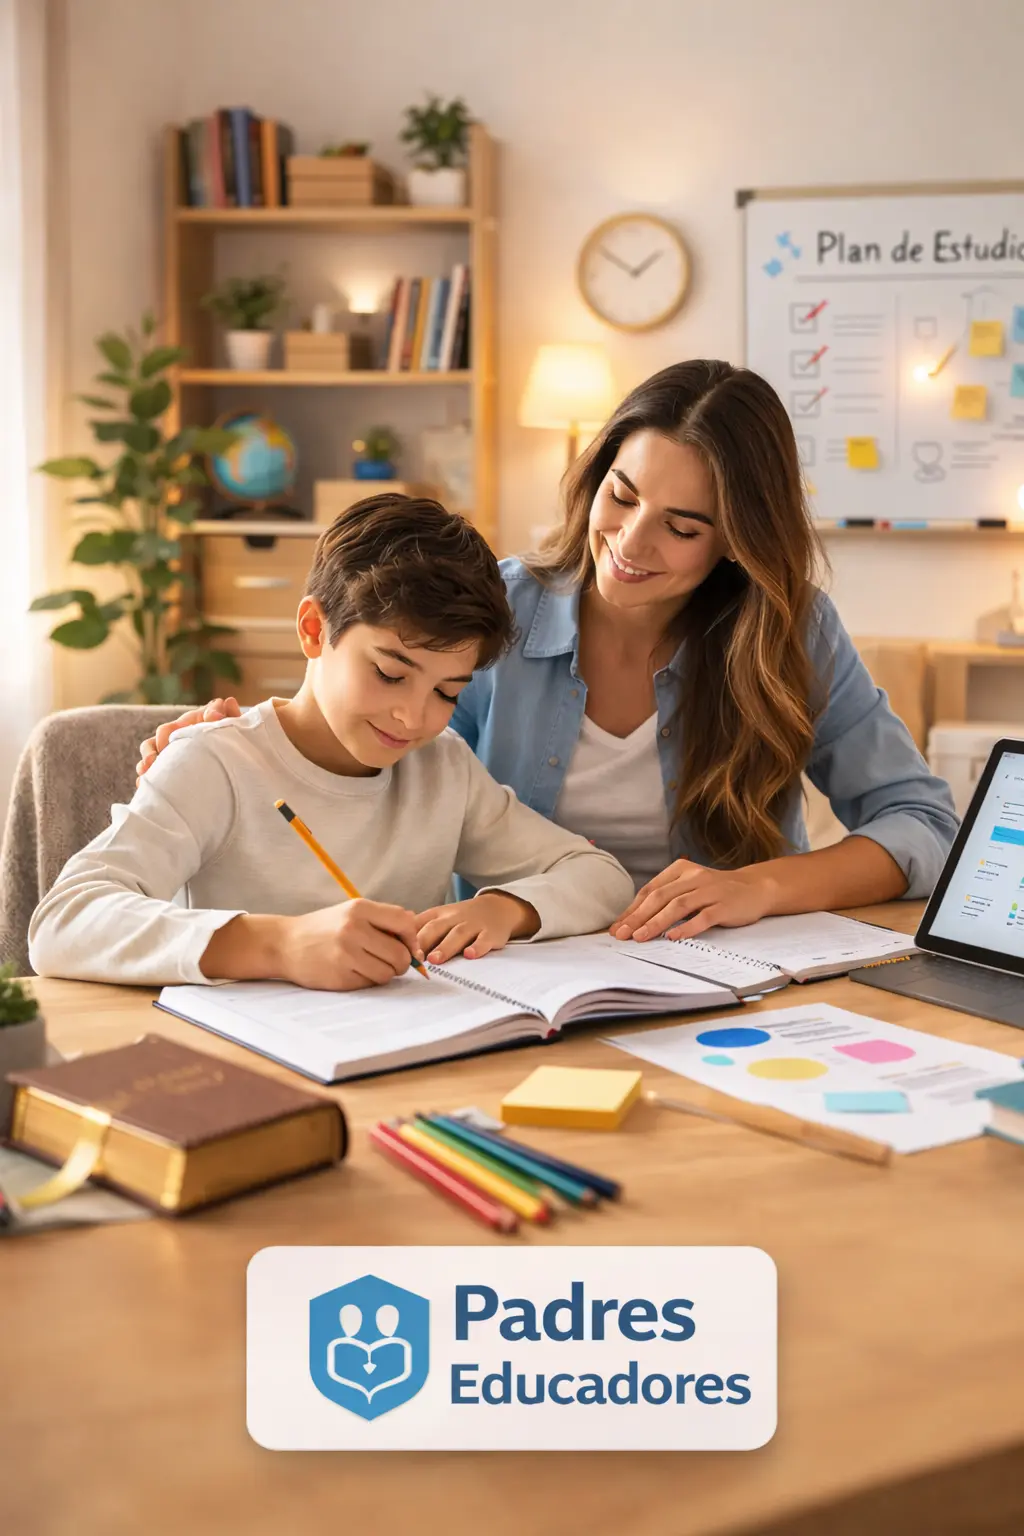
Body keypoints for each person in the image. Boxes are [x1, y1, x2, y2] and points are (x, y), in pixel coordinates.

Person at [140, 360, 958, 943]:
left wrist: (761, 885)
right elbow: (377, 752)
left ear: (736, 541)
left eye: (681, 527)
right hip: (522, 971)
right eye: (621, 496)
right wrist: (249, 751)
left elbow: (923, 825)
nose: (630, 544)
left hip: (731, 970)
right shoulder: (500, 612)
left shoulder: (790, 632)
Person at [29, 496, 633, 990]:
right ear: (314, 629)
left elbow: (599, 875)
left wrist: (503, 909)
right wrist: (280, 944)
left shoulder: (443, 769)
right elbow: (63, 921)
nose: (413, 717)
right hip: (243, 1063)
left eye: (447, 691)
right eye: (390, 674)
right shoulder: (215, 763)